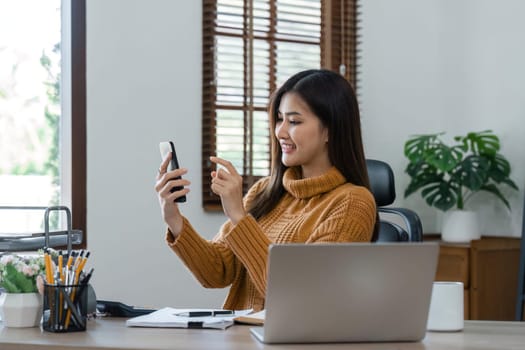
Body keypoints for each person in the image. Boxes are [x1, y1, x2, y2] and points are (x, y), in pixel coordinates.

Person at [155, 69, 377, 311]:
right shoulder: (266, 190)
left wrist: (239, 217)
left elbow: (303, 295)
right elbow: (216, 272)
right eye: (279, 119)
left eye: (294, 121)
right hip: (241, 334)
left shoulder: (352, 203)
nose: (280, 131)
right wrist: (173, 217)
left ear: (330, 130)